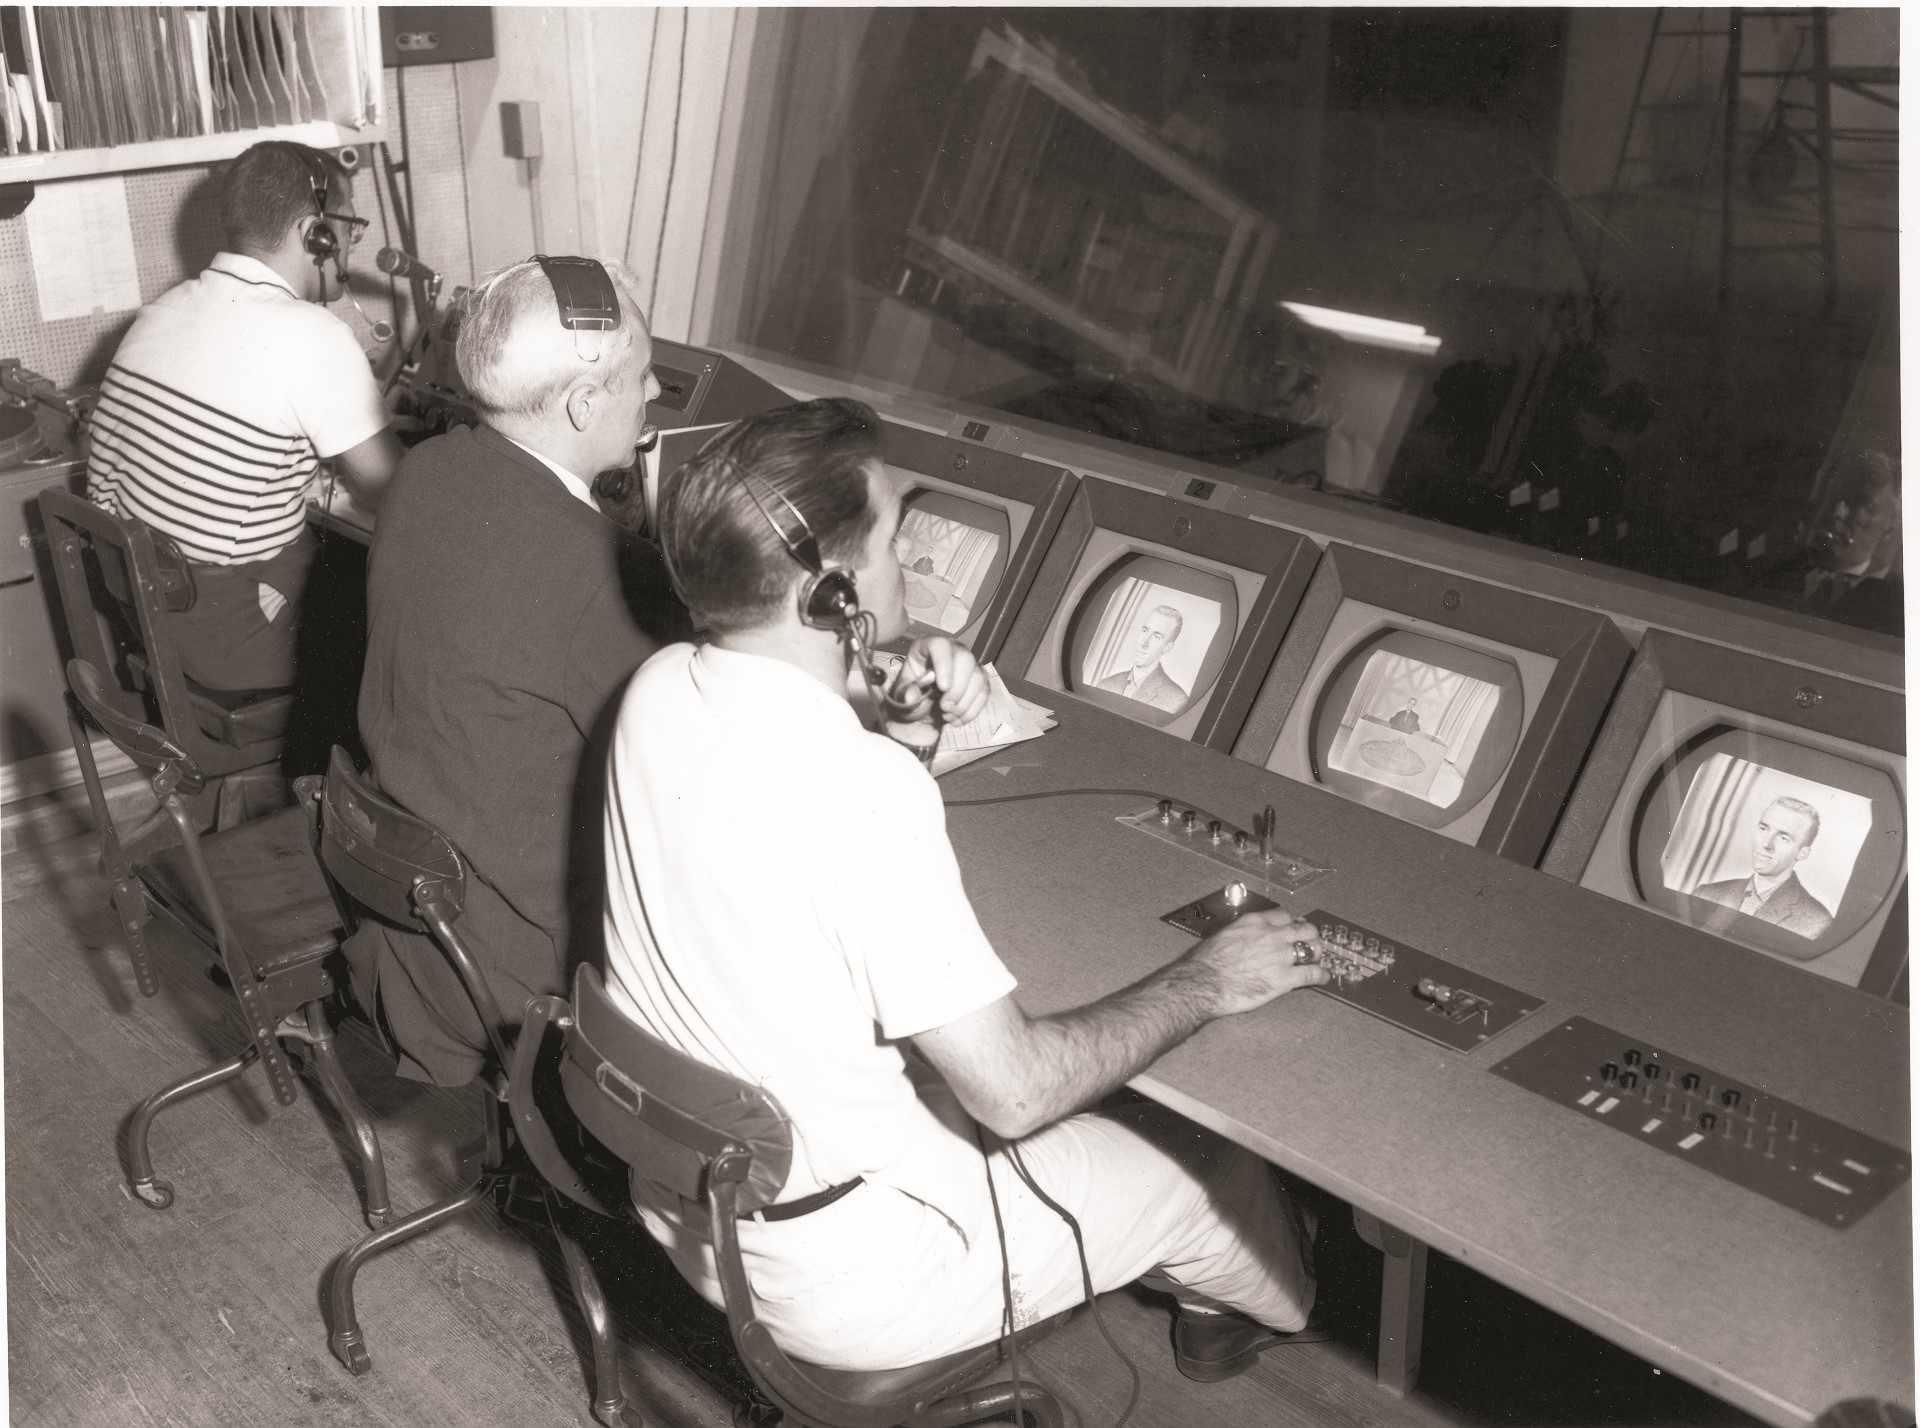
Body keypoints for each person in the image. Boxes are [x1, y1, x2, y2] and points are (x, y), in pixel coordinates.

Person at [602, 397, 1332, 1382]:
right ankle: (1259, 1313)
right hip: (851, 1273)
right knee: (1208, 1162)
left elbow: (775, 815)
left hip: (687, 1193)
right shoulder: (860, 789)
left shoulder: (654, 691)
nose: (911, 565)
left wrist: (901, 742)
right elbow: (1019, 1092)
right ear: (831, 596)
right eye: (897, 538)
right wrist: (1210, 979)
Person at [348, 255, 679, 1086]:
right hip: (518, 968)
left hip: (418, 929)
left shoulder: (426, 473)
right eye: (643, 375)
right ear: (582, 402)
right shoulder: (596, 568)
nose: (656, 396)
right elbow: (704, 751)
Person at [85, 140, 400, 694]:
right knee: (416, 620)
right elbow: (392, 492)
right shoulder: (314, 337)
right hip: (236, 637)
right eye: (350, 231)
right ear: (315, 235)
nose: (349, 252)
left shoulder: (160, 312)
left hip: (153, 618)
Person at [1693, 796, 1836, 941]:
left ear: (1802, 853)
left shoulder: (1816, 923)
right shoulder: (1706, 893)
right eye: (1763, 829)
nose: (1766, 844)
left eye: (1783, 837)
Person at [1094, 603, 1191, 712]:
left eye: (1156, 636)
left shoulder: (1177, 701)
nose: (1144, 643)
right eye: (1145, 630)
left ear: (1167, 647)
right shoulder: (1106, 684)